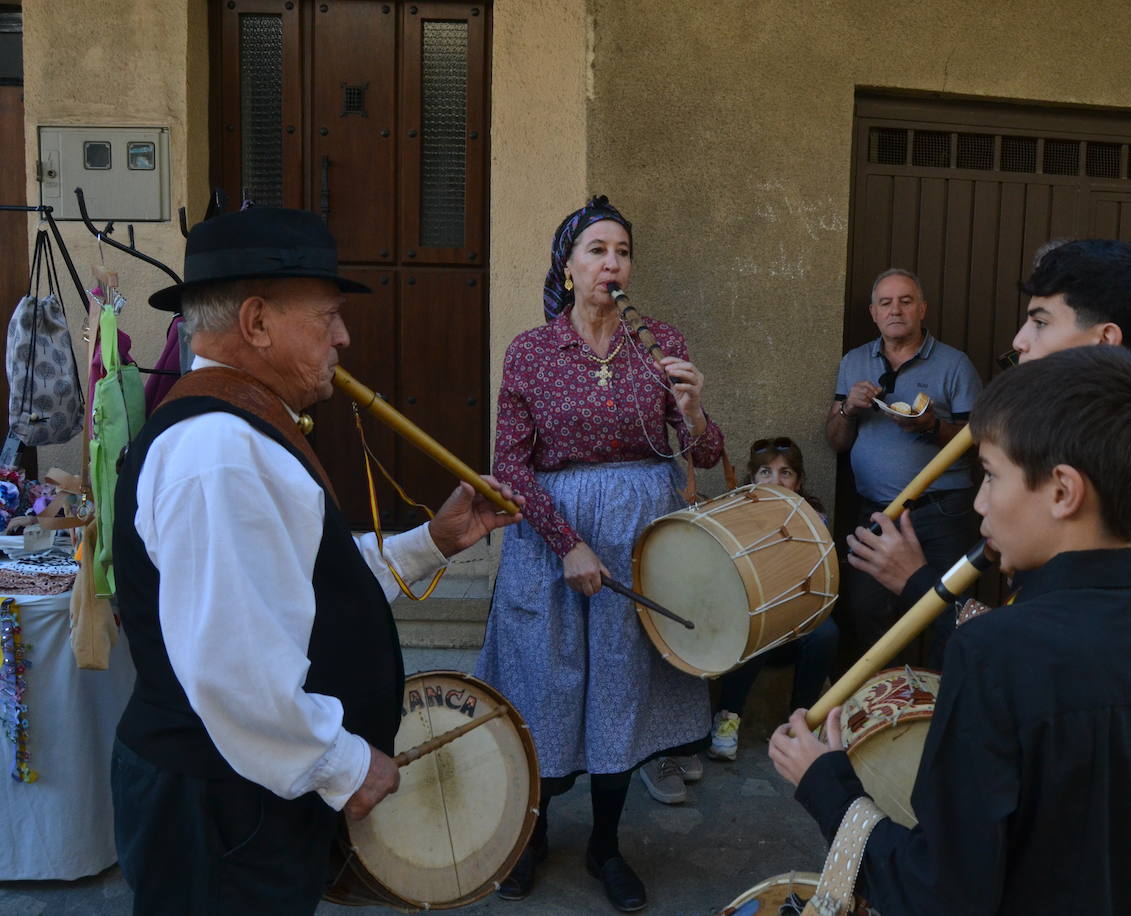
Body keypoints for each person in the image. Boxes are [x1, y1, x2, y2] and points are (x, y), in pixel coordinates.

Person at [111, 207, 523, 915]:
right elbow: (235, 669)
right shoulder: (219, 454)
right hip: (219, 809)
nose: (344, 337)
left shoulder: (239, 429)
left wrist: (436, 542)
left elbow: (304, 590)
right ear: (257, 321)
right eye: (327, 316)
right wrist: (345, 765)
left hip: (233, 799)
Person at [770, 345, 1131, 915]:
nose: (980, 503)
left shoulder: (993, 652)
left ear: (1062, 491)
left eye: (990, 475)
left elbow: (935, 892)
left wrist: (825, 783)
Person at [475, 196, 724, 912]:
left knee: (621, 693)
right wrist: (570, 544)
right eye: (596, 250)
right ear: (568, 264)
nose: (612, 263)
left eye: (622, 251)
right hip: (553, 545)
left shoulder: (660, 342)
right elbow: (511, 466)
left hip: (641, 540)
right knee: (543, 691)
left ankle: (606, 845)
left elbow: (704, 452)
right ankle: (532, 836)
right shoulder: (531, 350)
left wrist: (696, 410)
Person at [848, 240, 1131, 620]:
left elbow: (1041, 646)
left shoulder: (1112, 470)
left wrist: (918, 583)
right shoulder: (1098, 447)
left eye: (1040, 322)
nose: (1019, 341)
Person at [827, 269, 982, 670]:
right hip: (878, 512)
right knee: (863, 612)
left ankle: (942, 710)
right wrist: (849, 409)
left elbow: (979, 440)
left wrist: (931, 425)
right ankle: (883, 709)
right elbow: (836, 440)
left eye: (906, 301)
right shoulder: (854, 361)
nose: (896, 310)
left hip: (942, 511)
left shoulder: (955, 364)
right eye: (886, 303)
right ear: (873, 313)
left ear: (922, 309)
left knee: (948, 612)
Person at [706, 437, 838, 762]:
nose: (774, 481)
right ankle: (728, 717)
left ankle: (802, 724)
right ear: (753, 478)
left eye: (785, 473)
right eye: (765, 472)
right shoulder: (737, 512)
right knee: (755, 626)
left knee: (826, 634)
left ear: (799, 481)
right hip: (755, 616)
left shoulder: (813, 518)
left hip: (798, 617)